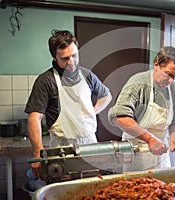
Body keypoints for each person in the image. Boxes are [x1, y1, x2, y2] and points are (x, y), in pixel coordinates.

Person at [25, 29, 112, 178]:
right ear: (54, 56)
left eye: (74, 55)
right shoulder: (46, 81)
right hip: (62, 147)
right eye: (65, 58)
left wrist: (93, 111)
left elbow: (106, 96)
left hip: (90, 144)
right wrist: (38, 152)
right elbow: (34, 117)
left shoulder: (87, 75)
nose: (71, 62)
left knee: (92, 187)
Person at [108, 46, 175, 172]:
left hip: (161, 152)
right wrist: (149, 139)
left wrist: (174, 137)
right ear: (157, 64)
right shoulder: (138, 83)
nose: (172, 80)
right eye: (169, 74)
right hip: (136, 152)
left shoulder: (173, 88)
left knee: (162, 188)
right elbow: (120, 117)